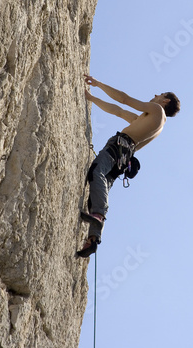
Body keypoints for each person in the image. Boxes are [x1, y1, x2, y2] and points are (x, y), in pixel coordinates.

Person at [77, 75, 180, 257]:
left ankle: (98, 216)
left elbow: (124, 99)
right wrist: (92, 98)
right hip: (124, 157)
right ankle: (93, 238)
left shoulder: (157, 110)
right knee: (100, 188)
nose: (155, 94)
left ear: (165, 100)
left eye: (160, 94)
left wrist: (99, 84)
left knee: (96, 172)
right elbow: (118, 111)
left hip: (119, 147)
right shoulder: (154, 123)